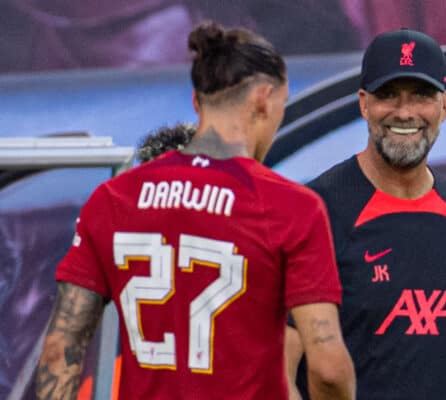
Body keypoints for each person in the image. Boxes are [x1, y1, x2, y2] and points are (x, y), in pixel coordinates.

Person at [35, 21, 355, 400]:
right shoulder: (289, 206)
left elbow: (60, 349)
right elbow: (329, 367)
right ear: (265, 99)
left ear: (196, 102)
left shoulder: (114, 198)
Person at [286, 28, 446, 400]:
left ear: (445, 104)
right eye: (388, 95)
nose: (405, 112)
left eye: (421, 95)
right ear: (364, 104)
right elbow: (280, 374)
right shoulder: (314, 210)